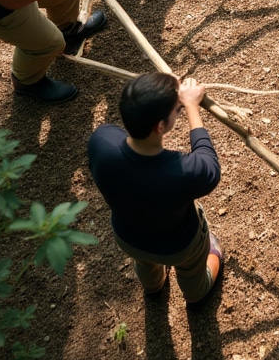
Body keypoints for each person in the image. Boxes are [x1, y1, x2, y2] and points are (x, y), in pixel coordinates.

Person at [88, 72, 224, 308]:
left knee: (145, 263)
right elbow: (209, 164)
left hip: (128, 237)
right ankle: (196, 294)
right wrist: (192, 107)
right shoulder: (182, 172)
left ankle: (153, 287)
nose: (179, 109)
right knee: (194, 271)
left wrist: (157, 88)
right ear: (161, 126)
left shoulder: (101, 140)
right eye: (177, 110)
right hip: (179, 247)